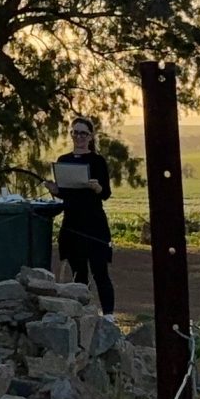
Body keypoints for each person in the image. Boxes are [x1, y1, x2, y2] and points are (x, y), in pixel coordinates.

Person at [50, 115, 117, 316]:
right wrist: (55, 190)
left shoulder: (98, 161)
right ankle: (84, 316)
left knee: (100, 273)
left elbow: (106, 193)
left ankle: (108, 317)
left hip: (94, 223)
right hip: (72, 224)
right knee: (79, 275)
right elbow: (66, 193)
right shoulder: (64, 161)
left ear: (90, 137)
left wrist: (97, 188)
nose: (79, 137)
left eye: (83, 133)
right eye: (75, 132)